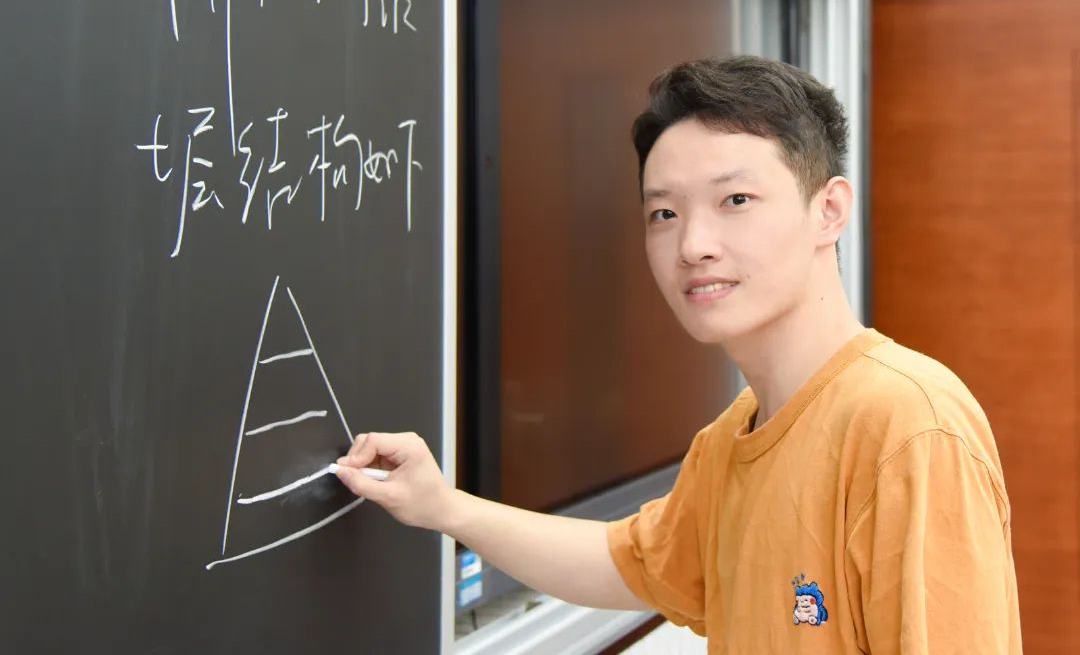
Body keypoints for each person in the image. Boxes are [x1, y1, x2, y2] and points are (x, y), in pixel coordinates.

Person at [333, 56, 1022, 653]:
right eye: (664, 213)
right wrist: (443, 507)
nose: (693, 245)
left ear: (829, 211)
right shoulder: (731, 441)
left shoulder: (908, 427)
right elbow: (626, 564)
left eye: (736, 199)